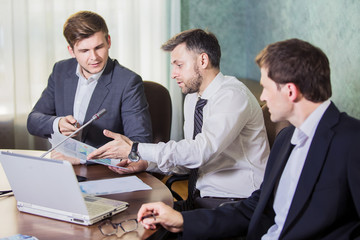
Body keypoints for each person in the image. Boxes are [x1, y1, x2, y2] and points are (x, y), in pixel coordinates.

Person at [135, 38, 360, 239]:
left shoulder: (352, 141)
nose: (262, 97)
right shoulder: (286, 140)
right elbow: (254, 208)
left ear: (290, 91)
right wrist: (184, 221)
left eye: (265, 88)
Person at [88, 29, 270, 210]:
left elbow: (199, 152)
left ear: (203, 60)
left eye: (179, 65)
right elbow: (189, 157)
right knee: (133, 216)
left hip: (237, 201)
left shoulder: (232, 96)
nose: (173, 74)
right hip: (201, 198)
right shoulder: (193, 97)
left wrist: (136, 149)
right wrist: (146, 163)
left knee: (155, 227)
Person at [27, 11, 152, 157]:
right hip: (63, 167)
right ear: (71, 51)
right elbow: (33, 121)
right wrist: (58, 123)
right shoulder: (60, 70)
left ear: (109, 41)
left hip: (103, 172)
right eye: (84, 50)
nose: (94, 57)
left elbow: (140, 143)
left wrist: (81, 158)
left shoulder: (128, 82)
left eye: (99, 47)